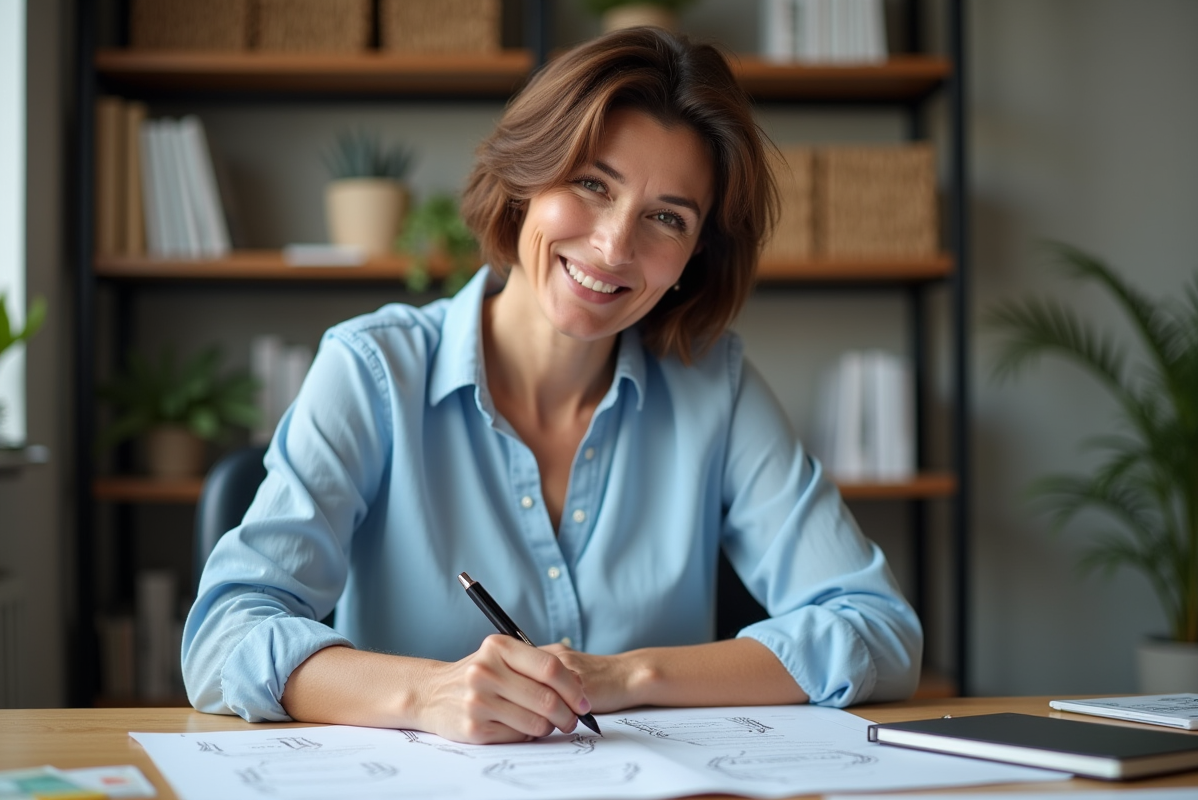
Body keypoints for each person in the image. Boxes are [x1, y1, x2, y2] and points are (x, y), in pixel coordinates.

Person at [183, 27, 922, 745]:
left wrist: (627, 676)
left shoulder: (716, 388)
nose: (613, 245)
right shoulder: (373, 371)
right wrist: (425, 694)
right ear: (526, 180)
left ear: (696, 256)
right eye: (591, 184)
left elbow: (878, 627)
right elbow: (226, 636)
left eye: (666, 217)